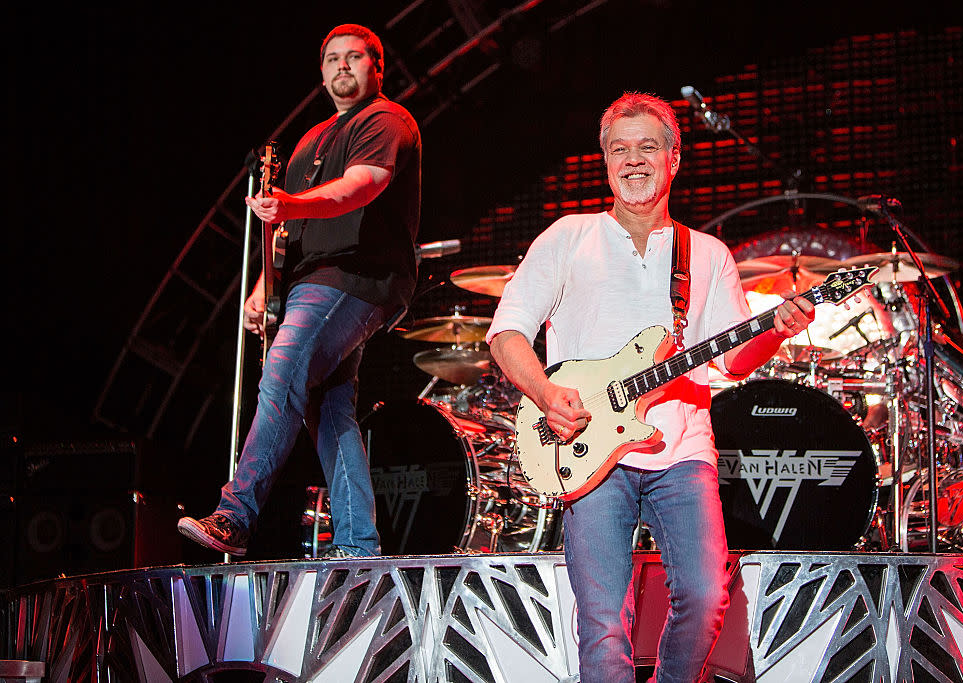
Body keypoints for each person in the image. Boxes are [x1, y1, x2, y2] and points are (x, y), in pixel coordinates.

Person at [486, 92, 814, 681]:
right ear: (605, 161)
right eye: (619, 149)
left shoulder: (707, 253)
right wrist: (542, 392)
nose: (633, 160)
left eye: (647, 147)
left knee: (707, 594)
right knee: (603, 620)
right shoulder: (568, 235)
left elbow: (733, 362)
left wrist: (775, 332)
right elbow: (506, 333)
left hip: (683, 448)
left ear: (674, 158)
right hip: (588, 451)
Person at [178, 24, 421, 559]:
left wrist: (291, 204)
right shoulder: (309, 140)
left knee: (282, 375)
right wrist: (266, 287)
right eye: (331, 59)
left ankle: (236, 515)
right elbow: (289, 233)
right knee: (330, 411)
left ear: (376, 67)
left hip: (356, 275)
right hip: (313, 278)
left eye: (354, 57)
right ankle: (360, 545)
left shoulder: (386, 119)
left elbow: (364, 185)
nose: (342, 67)